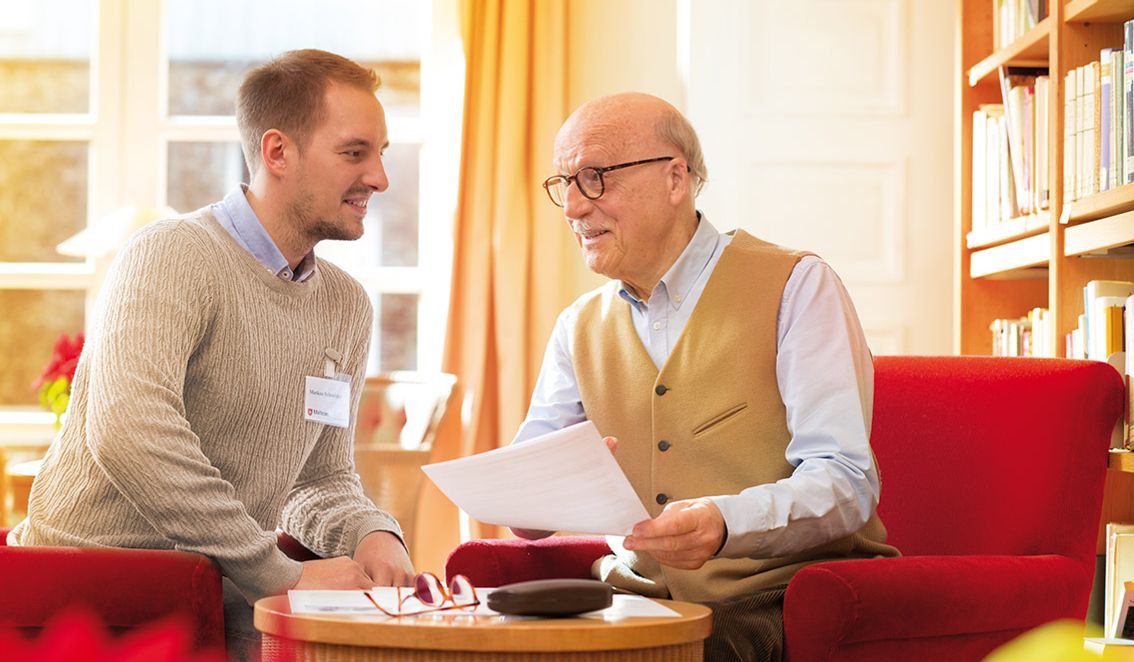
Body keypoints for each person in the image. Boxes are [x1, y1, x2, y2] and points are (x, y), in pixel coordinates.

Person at [8, 49, 414, 659]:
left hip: (220, 603)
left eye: (381, 154)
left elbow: (320, 477)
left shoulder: (346, 306)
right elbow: (129, 432)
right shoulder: (171, 255)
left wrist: (371, 532)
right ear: (277, 153)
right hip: (90, 609)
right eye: (355, 153)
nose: (380, 177)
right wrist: (281, 574)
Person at [510, 92, 899, 661]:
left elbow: (846, 481)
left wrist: (725, 523)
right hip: (634, 599)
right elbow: (529, 479)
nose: (572, 206)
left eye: (593, 178)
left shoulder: (798, 286)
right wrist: (529, 499)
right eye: (563, 183)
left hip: (774, 599)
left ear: (674, 179)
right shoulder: (578, 327)